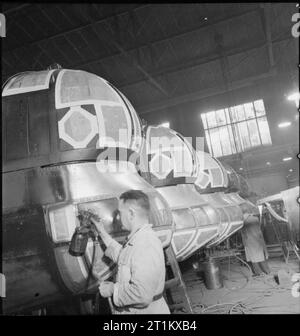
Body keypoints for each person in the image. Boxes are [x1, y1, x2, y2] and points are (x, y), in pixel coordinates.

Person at [91, 189, 170, 314]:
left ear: (131, 214)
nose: (118, 218)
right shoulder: (138, 240)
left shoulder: (145, 244)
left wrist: (112, 289)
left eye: (120, 213)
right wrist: (101, 231)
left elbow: (142, 295)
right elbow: (123, 257)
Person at [240, 207, 271, 276]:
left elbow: (243, 232)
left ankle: (258, 272)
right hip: (258, 240)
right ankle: (267, 271)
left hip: (250, 241)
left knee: (253, 258)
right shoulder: (255, 218)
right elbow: (259, 230)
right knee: (261, 256)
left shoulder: (243, 221)